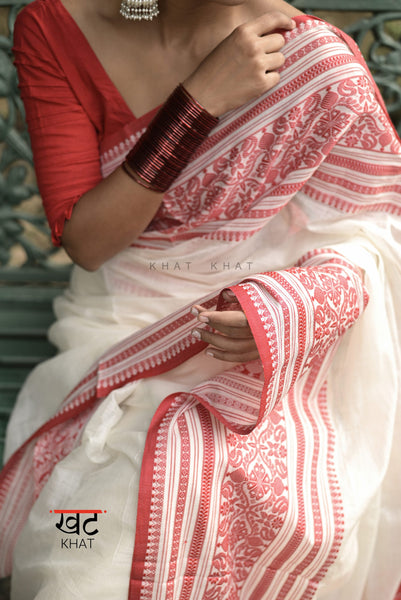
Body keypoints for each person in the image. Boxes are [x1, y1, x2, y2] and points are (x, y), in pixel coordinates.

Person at [0, 0, 400, 597]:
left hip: (264, 351)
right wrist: (198, 102)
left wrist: (283, 309)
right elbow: (89, 240)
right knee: (75, 546)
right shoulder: (60, 24)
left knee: (198, 503)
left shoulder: (309, 59)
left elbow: (365, 236)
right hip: (110, 340)